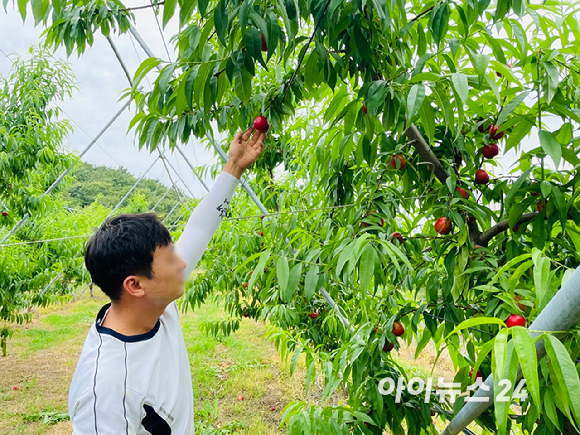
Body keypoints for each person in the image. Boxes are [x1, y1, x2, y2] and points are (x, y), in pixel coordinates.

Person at [68, 127, 266, 434]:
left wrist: (234, 167)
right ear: (135, 285)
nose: (183, 263)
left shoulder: (156, 303)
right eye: (171, 260)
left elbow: (199, 230)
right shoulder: (106, 390)